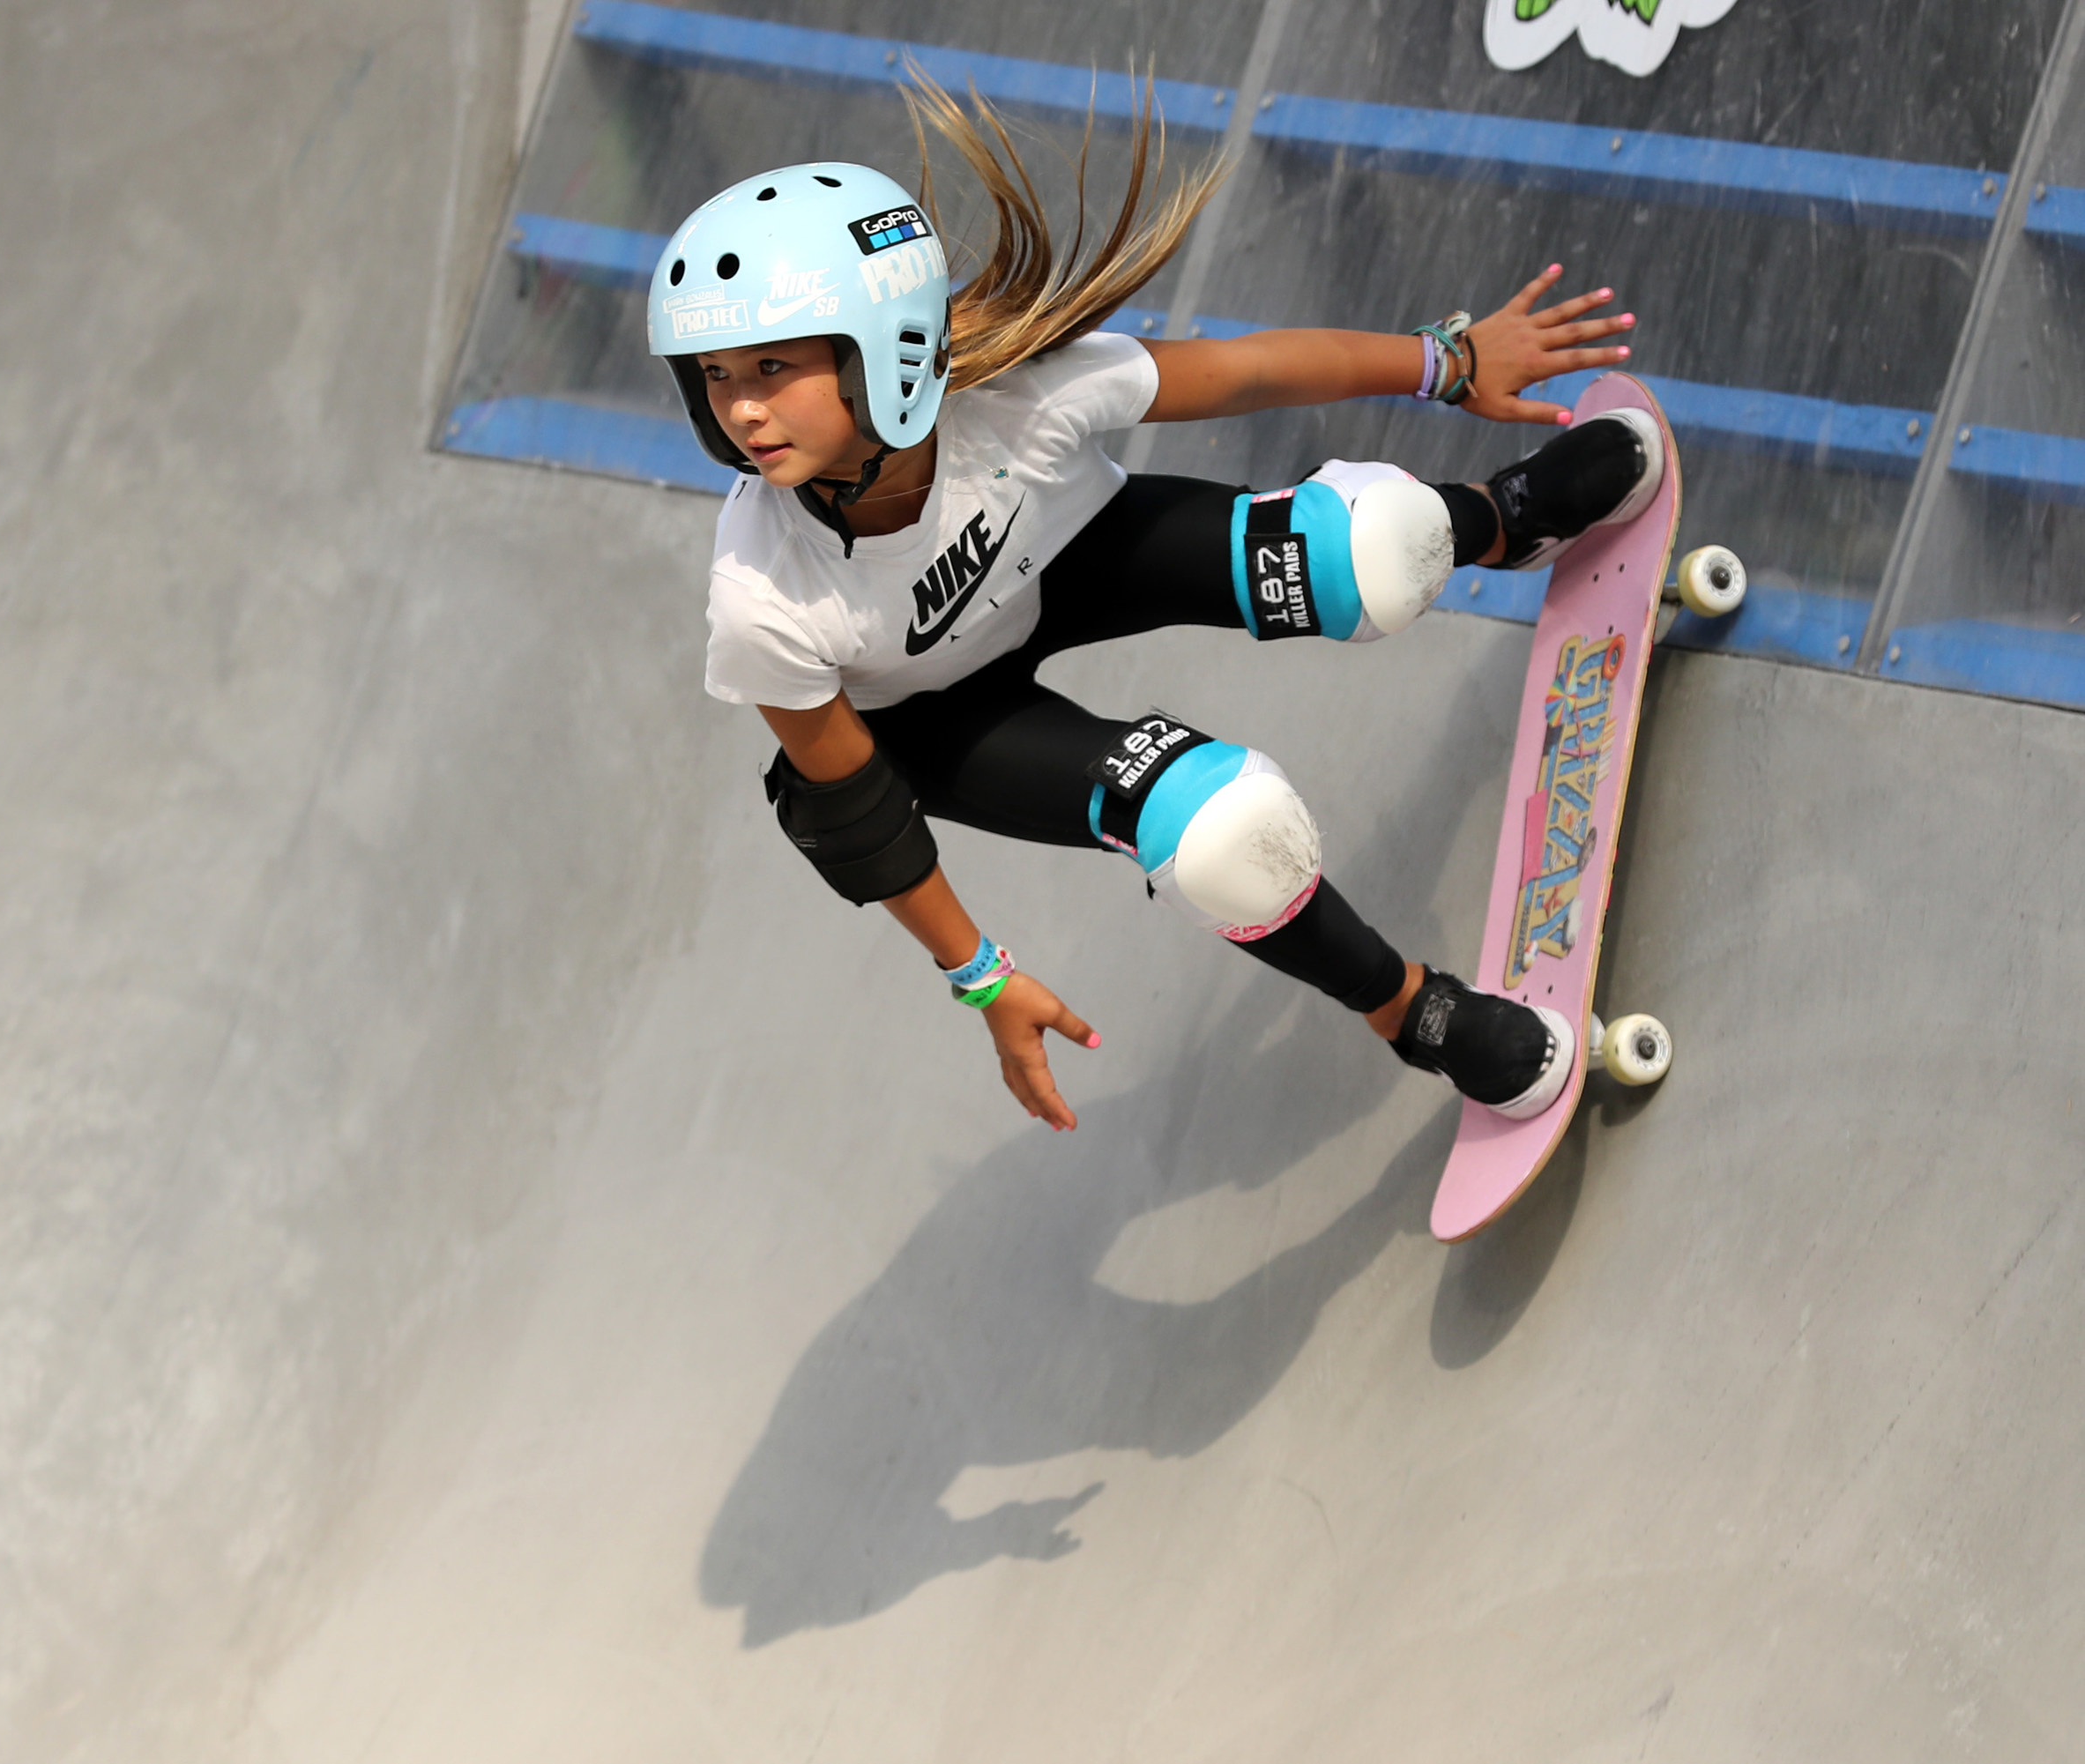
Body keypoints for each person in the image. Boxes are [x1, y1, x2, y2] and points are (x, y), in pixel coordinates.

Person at [648, 79, 1653, 1132]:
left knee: (1375, 552)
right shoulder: (760, 597)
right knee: (1220, 831)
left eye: (773, 366)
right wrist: (985, 980)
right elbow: (861, 818)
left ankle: (1501, 520)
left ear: (888, 349)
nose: (743, 409)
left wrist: (1449, 360)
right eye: (716, 376)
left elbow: (1243, 373)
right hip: (940, 721)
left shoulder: (1015, 395)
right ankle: (1417, 1014)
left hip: (1076, 558)